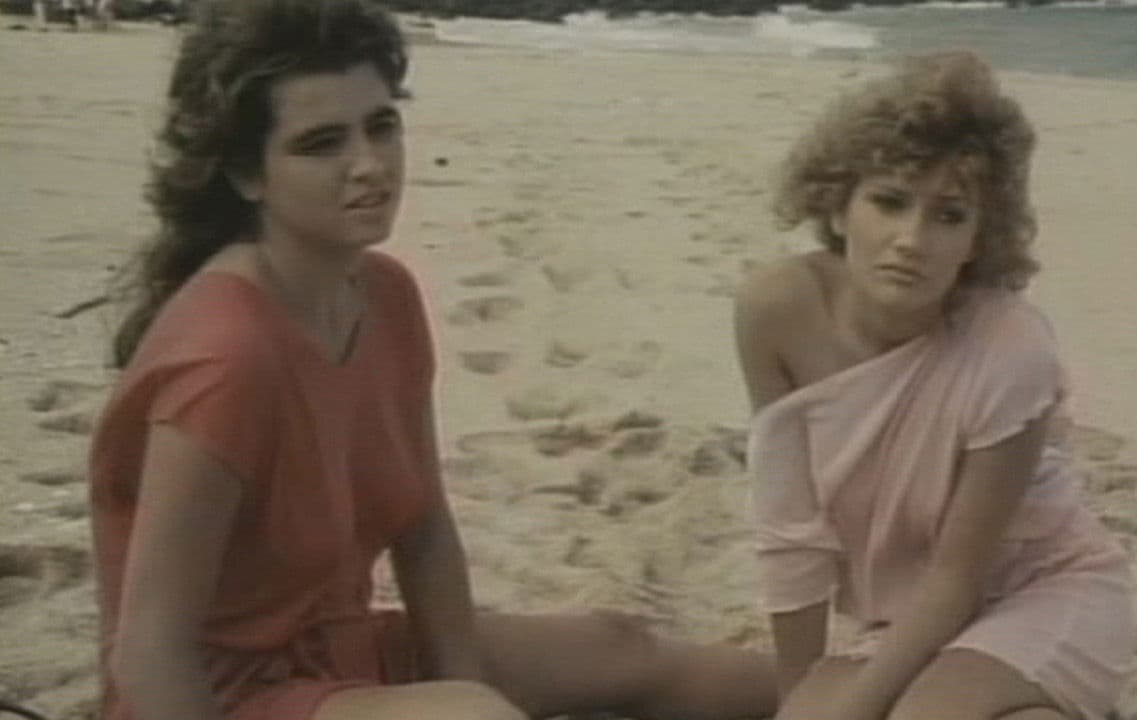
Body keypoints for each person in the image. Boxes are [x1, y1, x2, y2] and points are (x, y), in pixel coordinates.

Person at [89, 2, 777, 720]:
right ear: (245, 172)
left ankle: (845, 694)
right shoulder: (228, 355)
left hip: (341, 649)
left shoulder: (384, 294)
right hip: (223, 697)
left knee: (616, 645)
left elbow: (422, 528)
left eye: (382, 126)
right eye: (321, 144)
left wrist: (464, 681)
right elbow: (149, 652)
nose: (369, 165)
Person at [733, 51, 1134, 720]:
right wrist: (796, 699)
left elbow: (957, 575)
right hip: (908, 614)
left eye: (949, 215)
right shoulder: (775, 311)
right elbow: (789, 530)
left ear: (978, 238)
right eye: (889, 202)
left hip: (1044, 590)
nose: (912, 239)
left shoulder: (1011, 349)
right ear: (838, 206)